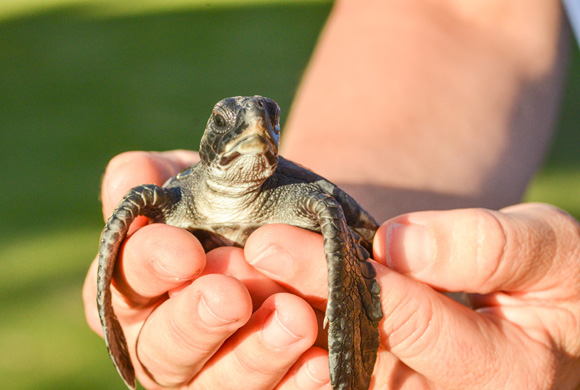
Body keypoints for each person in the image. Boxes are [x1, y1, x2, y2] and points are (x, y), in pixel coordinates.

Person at [83, 0, 580, 388]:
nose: (256, 127)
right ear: (209, 140)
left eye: (268, 122)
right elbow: (462, 13)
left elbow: (336, 214)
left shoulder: (308, 201)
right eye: (224, 123)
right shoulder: (173, 201)